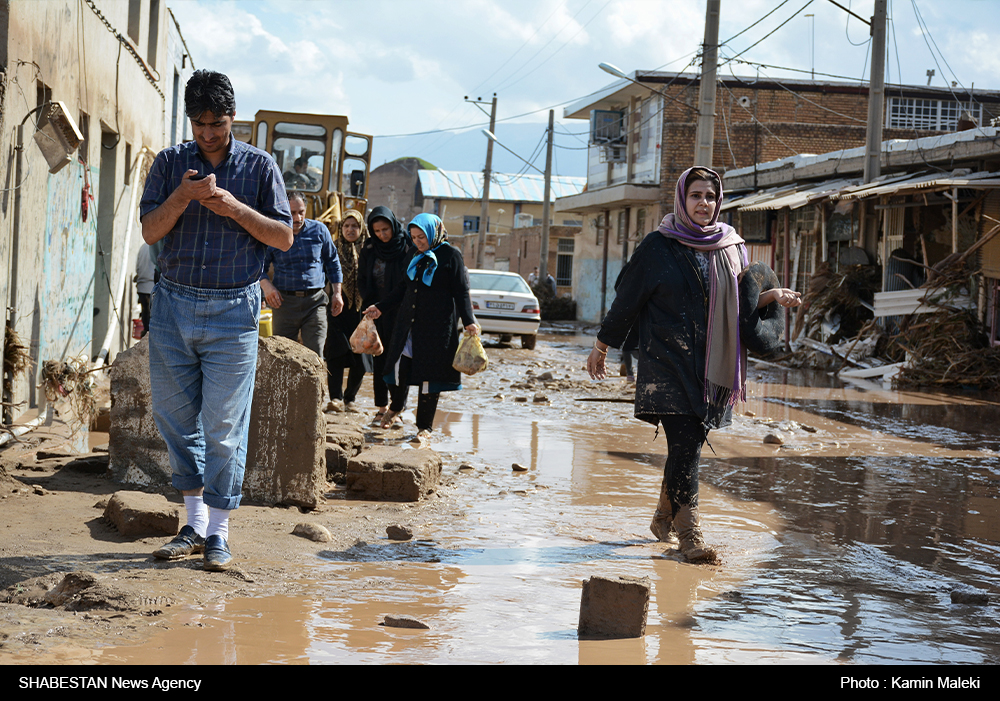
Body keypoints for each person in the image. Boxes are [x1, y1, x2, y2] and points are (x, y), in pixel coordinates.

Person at [586, 166, 800, 562]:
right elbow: (627, 300)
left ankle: (663, 516)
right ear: (682, 200)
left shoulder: (731, 247)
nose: (705, 203)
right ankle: (691, 535)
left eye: (711, 196)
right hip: (667, 361)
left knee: (688, 446)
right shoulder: (658, 246)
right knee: (686, 445)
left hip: (714, 367)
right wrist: (602, 345)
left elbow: (740, 303)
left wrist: (772, 296)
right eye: (697, 195)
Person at [140, 69, 293, 571]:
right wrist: (182, 197)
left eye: (218, 123)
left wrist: (235, 208)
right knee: (175, 419)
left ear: (233, 118)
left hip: (234, 309)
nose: (208, 133)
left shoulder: (259, 165)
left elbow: (283, 238)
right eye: (199, 123)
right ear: (190, 120)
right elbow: (149, 231)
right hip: (173, 307)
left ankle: (218, 533)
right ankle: (192, 524)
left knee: (224, 425)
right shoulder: (169, 163)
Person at [364, 213, 479, 439]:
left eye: (422, 237)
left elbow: (461, 291)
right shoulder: (413, 254)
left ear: (434, 232)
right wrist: (380, 307)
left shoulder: (450, 255)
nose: (418, 241)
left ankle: (424, 428)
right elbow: (401, 288)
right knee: (396, 367)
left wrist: (469, 321)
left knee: (429, 377)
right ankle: (397, 406)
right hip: (407, 323)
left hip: (436, 327)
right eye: (414, 237)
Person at [259, 191, 343, 358]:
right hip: (284, 305)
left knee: (315, 355)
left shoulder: (320, 230)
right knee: (282, 357)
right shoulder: (274, 233)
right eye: (291, 213)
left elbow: (333, 262)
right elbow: (258, 266)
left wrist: (337, 293)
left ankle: (316, 385)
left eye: (301, 212)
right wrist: (267, 287)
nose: (297, 218)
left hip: (315, 303)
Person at [358, 206, 414, 427]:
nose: (382, 234)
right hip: (376, 313)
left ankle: (397, 408)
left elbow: (405, 284)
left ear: (393, 225)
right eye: (377, 230)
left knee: (399, 361)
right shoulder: (370, 249)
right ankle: (381, 408)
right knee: (379, 359)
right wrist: (371, 303)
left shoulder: (406, 247)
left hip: (400, 312)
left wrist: (388, 305)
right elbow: (363, 279)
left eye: (385, 229)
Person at [325, 209, 367, 413]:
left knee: (360, 355)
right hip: (336, 307)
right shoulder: (332, 248)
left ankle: (350, 398)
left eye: (355, 226)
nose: (350, 230)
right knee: (335, 353)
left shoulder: (369, 249)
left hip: (362, 310)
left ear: (362, 228)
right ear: (341, 228)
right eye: (346, 226)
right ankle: (335, 398)